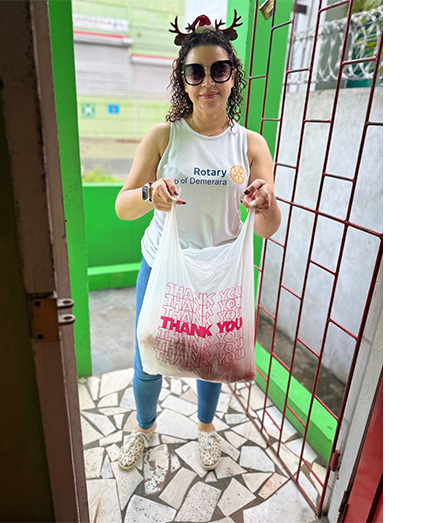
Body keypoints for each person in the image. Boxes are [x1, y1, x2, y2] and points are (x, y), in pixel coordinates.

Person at [114, 11, 282, 472]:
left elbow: (268, 228)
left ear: (233, 78)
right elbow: (123, 205)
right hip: (163, 266)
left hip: (221, 273)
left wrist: (265, 201)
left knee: (212, 357)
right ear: (182, 80)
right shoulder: (163, 137)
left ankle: (206, 428)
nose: (207, 81)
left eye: (219, 70)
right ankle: (144, 428)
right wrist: (151, 194)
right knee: (148, 354)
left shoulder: (251, 146)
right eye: (195, 71)